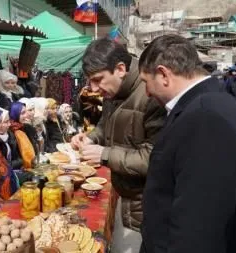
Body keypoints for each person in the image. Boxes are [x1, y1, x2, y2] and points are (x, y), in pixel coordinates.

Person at [138, 35, 236, 253]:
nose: (147, 93)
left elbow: (198, 226)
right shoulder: (204, 104)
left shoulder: (206, 118)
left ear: (163, 74)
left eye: (146, 82)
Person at [70, 38, 165, 253]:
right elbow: (105, 126)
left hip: (149, 205)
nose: (94, 89)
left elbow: (156, 158)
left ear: (120, 69)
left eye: (98, 79)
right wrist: (91, 138)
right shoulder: (113, 93)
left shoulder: (150, 95)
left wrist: (104, 154)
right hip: (126, 197)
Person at [9, 102, 36, 169]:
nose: (26, 115)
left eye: (26, 112)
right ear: (15, 114)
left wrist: (30, 127)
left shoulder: (24, 128)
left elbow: (34, 149)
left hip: (29, 166)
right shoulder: (11, 132)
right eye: (22, 113)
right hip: (19, 170)